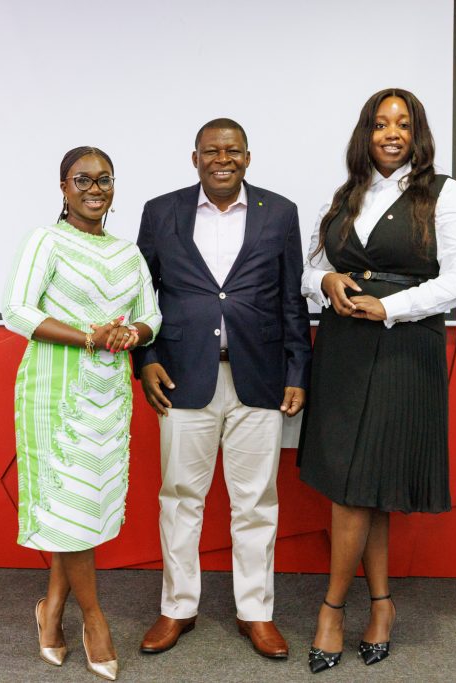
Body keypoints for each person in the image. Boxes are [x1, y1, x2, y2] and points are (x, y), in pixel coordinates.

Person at [297, 89, 456, 674]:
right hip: (344, 349)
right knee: (363, 483)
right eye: (380, 124)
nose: (391, 133)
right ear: (366, 133)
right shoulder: (345, 196)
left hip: (403, 349)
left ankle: (331, 610)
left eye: (403, 124)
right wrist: (325, 284)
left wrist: (392, 307)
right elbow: (311, 266)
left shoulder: (445, 194)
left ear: (418, 133)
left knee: (358, 484)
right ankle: (381, 605)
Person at [132, 118, 312, 660]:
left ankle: (256, 612)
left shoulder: (279, 212)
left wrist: (297, 371)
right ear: (195, 159)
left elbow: (290, 299)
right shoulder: (160, 211)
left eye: (232, 150)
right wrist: (146, 359)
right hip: (183, 376)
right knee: (180, 498)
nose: (222, 158)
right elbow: (142, 294)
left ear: (248, 157)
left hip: (259, 376)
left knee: (256, 501)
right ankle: (177, 608)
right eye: (211, 151)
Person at [2, 146, 162, 681]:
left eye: (105, 180)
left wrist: (131, 333)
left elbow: (151, 316)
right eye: (82, 180)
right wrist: (89, 336)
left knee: (82, 507)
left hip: (109, 391)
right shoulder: (45, 240)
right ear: (63, 187)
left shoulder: (128, 252)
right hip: (53, 387)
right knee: (65, 506)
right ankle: (93, 618)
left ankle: (50, 612)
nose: (95, 189)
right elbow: (17, 310)